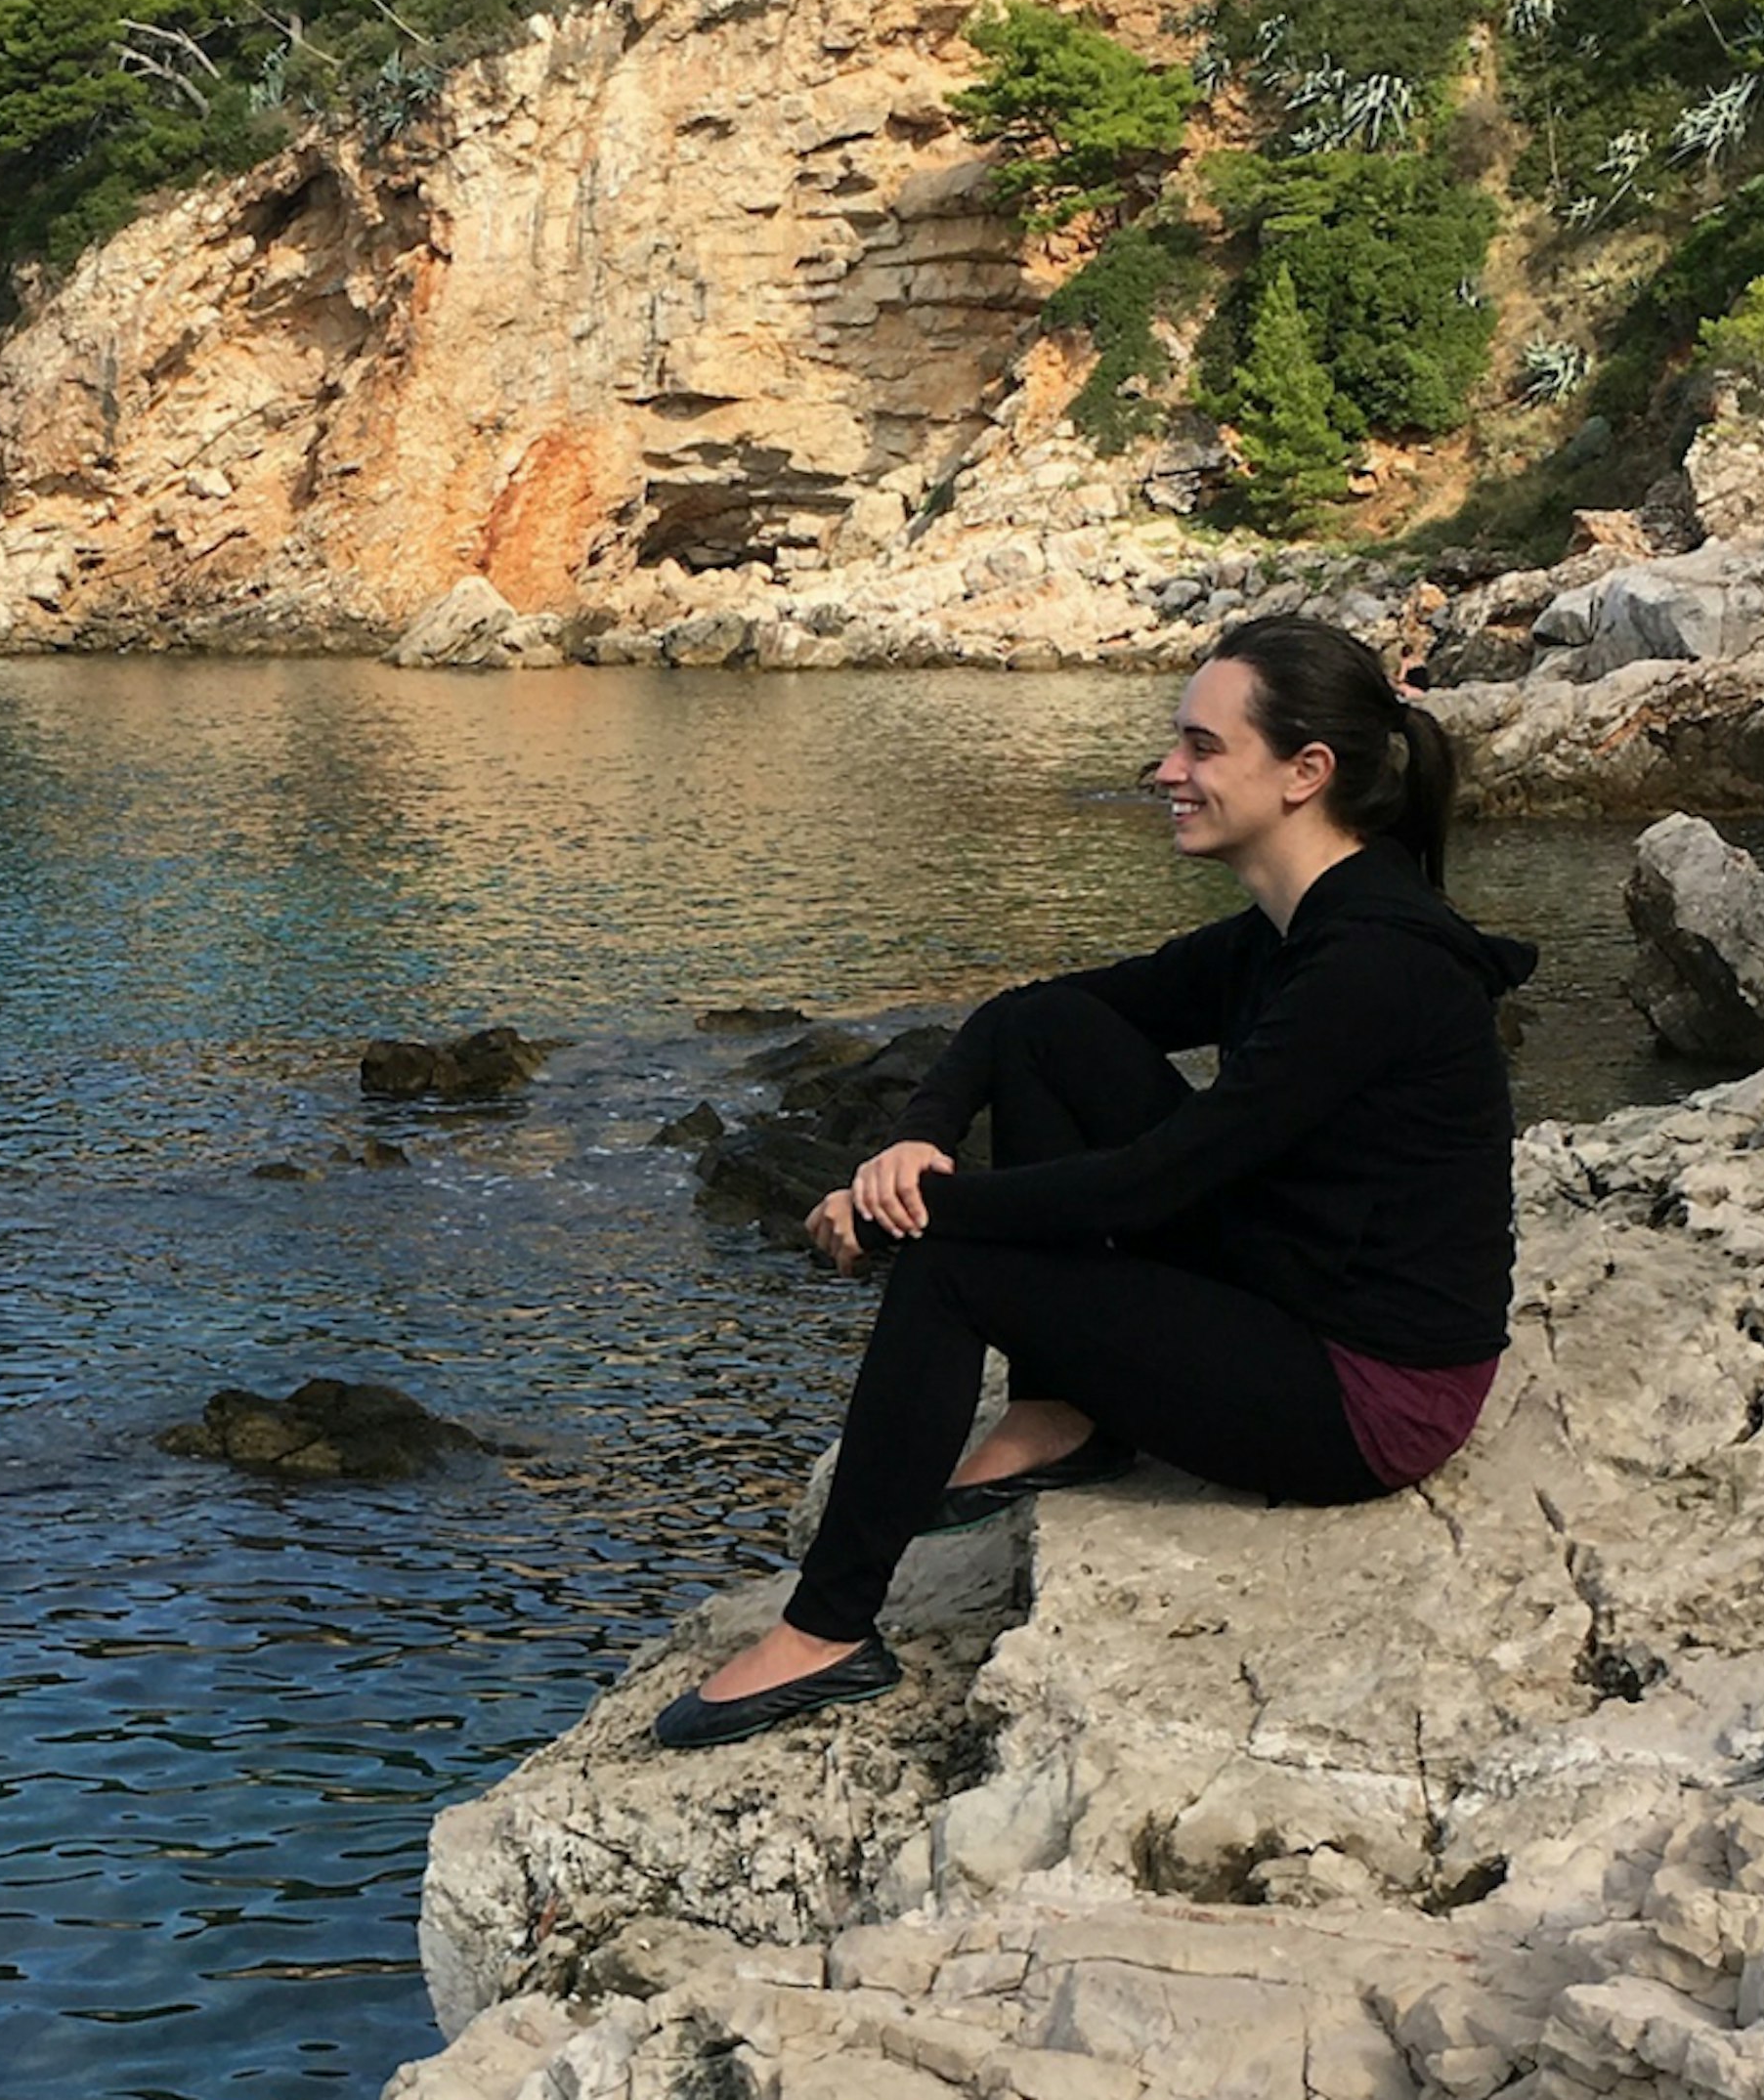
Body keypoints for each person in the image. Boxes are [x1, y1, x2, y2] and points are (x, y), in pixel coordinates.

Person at [652, 614, 1537, 1751]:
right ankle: (1060, 1410)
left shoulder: (1374, 965)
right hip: (1296, 1278)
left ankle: (827, 1633)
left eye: (1202, 748)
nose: (1168, 771)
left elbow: (1148, 1187)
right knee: (1051, 1033)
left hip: (1370, 1394)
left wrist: (905, 1217)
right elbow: (1029, 1017)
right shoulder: (1292, 928)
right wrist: (922, 1136)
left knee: (952, 1268)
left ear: (1305, 773)